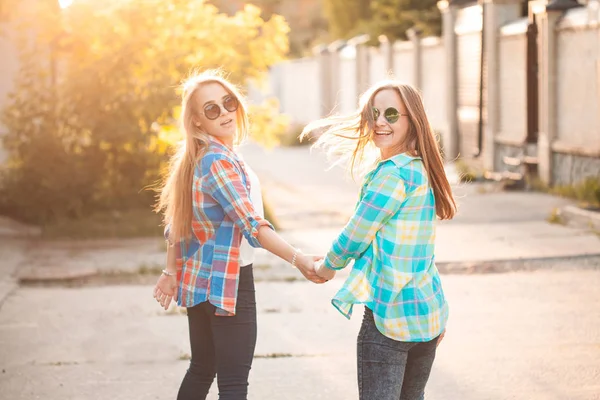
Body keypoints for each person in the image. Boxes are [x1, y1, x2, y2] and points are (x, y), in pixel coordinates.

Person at [152, 69, 325, 400]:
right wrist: (299, 259)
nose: (225, 112)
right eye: (211, 109)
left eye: (228, 102)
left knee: (202, 368)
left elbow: (176, 226)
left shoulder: (204, 158)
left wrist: (170, 272)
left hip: (199, 283)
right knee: (232, 384)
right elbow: (253, 225)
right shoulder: (218, 162)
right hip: (226, 284)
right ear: (198, 121)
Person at [305, 80, 456, 400]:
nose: (379, 121)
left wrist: (328, 266)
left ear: (412, 119)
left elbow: (356, 234)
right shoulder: (420, 169)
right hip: (428, 315)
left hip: (389, 317)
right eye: (373, 113)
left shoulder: (392, 174)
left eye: (390, 114)